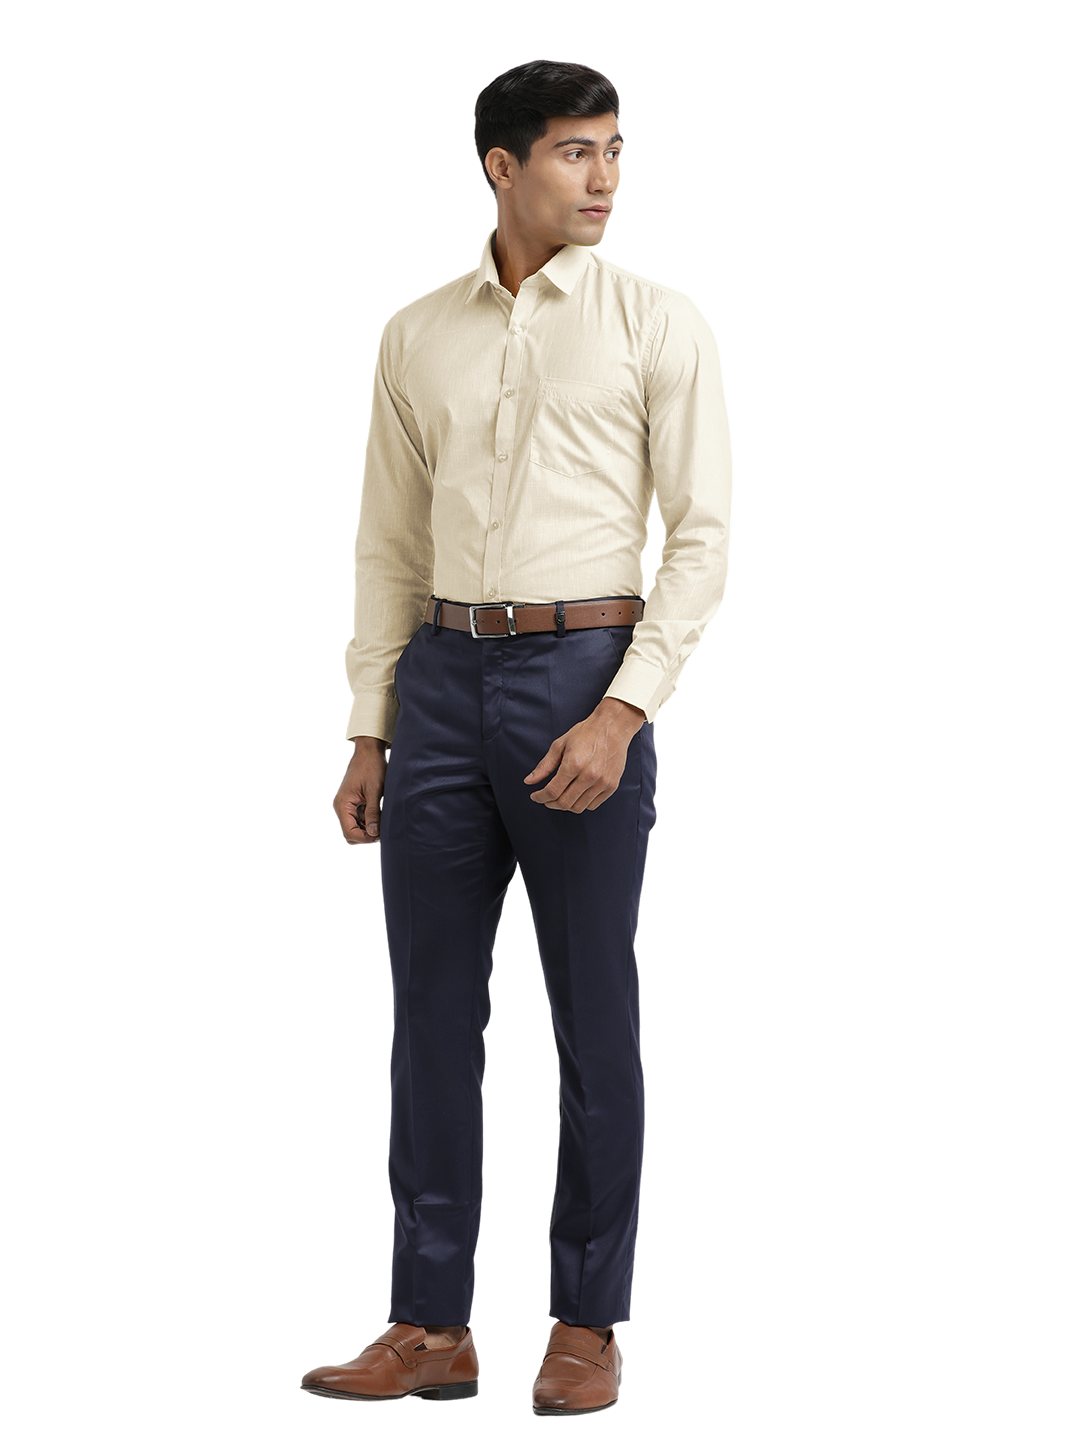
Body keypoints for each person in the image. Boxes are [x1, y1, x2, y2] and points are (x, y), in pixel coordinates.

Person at [303, 57, 733, 1416]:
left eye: (615, 149)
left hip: (584, 674)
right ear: (499, 169)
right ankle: (429, 1327)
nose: (609, 177)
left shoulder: (654, 321)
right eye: (574, 152)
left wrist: (625, 706)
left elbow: (704, 537)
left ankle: (587, 1328)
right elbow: (385, 545)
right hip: (439, 678)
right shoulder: (416, 335)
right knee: (427, 1016)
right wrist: (370, 729)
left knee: (593, 1016)